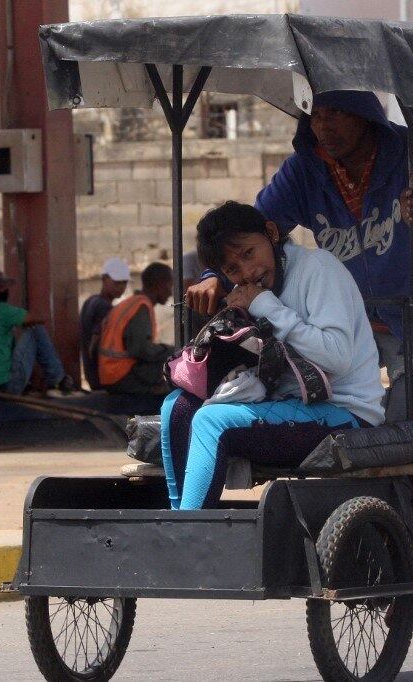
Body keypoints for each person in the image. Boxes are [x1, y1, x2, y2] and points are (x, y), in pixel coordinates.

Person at [184, 91, 413, 624]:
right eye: (317, 114)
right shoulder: (304, 170)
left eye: (337, 113)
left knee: (411, 427)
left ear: (364, 115)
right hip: (356, 317)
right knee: (353, 429)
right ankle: (364, 531)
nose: (326, 124)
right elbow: (252, 229)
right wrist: (212, 275)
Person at [161, 201, 385, 511]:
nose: (248, 272)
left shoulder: (316, 269)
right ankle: (177, 520)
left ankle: (187, 538)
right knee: (178, 406)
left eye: (249, 253)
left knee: (212, 422)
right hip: (285, 403)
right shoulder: (248, 290)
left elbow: (336, 357)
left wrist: (266, 306)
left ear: (270, 233)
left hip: (345, 411)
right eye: (232, 269)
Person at [0, 264, 79, 397]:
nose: (5, 290)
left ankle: (32, 385)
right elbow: (39, 318)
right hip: (7, 387)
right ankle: (57, 381)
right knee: (35, 329)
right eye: (0, 287)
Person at [97, 262, 175, 395]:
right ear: (160, 284)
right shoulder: (141, 306)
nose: (170, 292)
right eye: (169, 285)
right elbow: (141, 350)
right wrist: (172, 350)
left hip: (110, 373)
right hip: (120, 375)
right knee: (174, 363)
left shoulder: (132, 303)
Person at [79, 257, 131, 390]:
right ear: (104, 279)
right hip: (101, 376)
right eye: (117, 282)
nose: (121, 287)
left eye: (124, 283)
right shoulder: (103, 307)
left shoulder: (90, 301)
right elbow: (95, 344)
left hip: (92, 374)